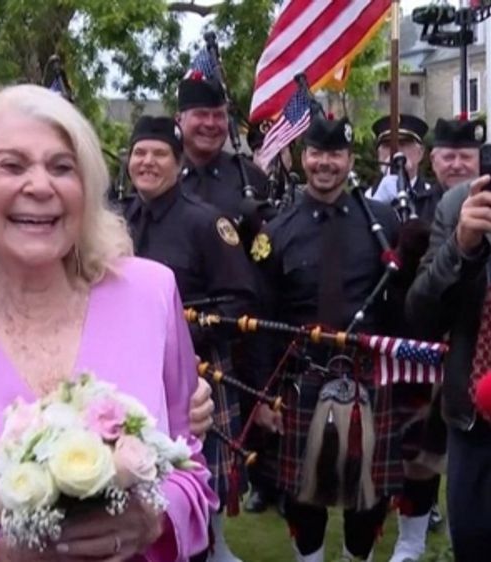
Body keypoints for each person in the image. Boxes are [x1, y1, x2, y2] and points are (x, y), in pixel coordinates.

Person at [0, 85, 217, 561]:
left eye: (61, 167)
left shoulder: (151, 293)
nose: (40, 186)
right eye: (11, 166)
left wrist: (155, 518)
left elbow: (192, 471)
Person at [251, 116, 402, 562]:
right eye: (317, 153)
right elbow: (261, 320)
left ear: (350, 159)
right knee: (304, 499)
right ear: (302, 156)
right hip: (301, 380)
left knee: (366, 500)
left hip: (368, 378)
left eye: (335, 154)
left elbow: (395, 307)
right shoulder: (276, 231)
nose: (325, 163)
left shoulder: (382, 222)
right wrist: (262, 396)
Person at [123, 115, 256, 562]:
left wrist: (176, 335)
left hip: (197, 376)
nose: (147, 162)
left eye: (158, 153)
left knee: (198, 480)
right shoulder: (118, 220)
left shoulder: (206, 224)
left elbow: (240, 302)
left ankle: (211, 547)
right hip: (129, 377)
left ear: (178, 163)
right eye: (139, 152)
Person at [405, 166, 491, 561]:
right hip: (474, 420)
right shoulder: (461, 203)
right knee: (473, 543)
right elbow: (420, 315)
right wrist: (461, 247)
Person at [176, 74, 269, 248]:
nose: (211, 123)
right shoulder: (162, 175)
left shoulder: (250, 176)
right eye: (201, 114)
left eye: (219, 116)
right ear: (179, 120)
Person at [369, 114, 440, 222]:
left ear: (420, 153)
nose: (396, 152)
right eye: (387, 145)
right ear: (379, 154)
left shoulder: (435, 198)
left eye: (404, 144)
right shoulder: (365, 197)